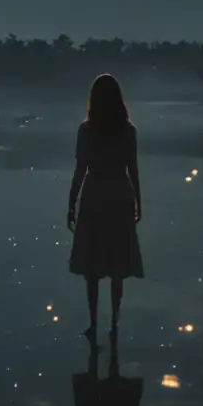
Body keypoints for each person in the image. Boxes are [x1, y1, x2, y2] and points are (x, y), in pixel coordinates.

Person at [66, 73, 143, 339]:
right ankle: (115, 321)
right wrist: (138, 201)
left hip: (96, 193)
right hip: (120, 193)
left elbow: (80, 169)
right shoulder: (128, 131)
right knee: (117, 262)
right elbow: (132, 169)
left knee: (92, 263)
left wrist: (71, 202)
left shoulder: (86, 131)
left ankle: (94, 322)